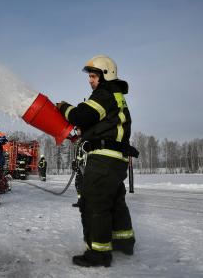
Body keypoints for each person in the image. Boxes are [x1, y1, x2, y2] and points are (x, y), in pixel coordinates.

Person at [57, 55, 135, 267]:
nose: (90, 80)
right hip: (116, 159)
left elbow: (79, 115)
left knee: (93, 202)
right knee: (115, 201)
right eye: (89, 76)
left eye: (93, 76)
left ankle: (99, 253)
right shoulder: (116, 96)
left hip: (103, 159)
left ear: (105, 75)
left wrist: (63, 107)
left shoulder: (104, 93)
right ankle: (123, 241)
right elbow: (103, 124)